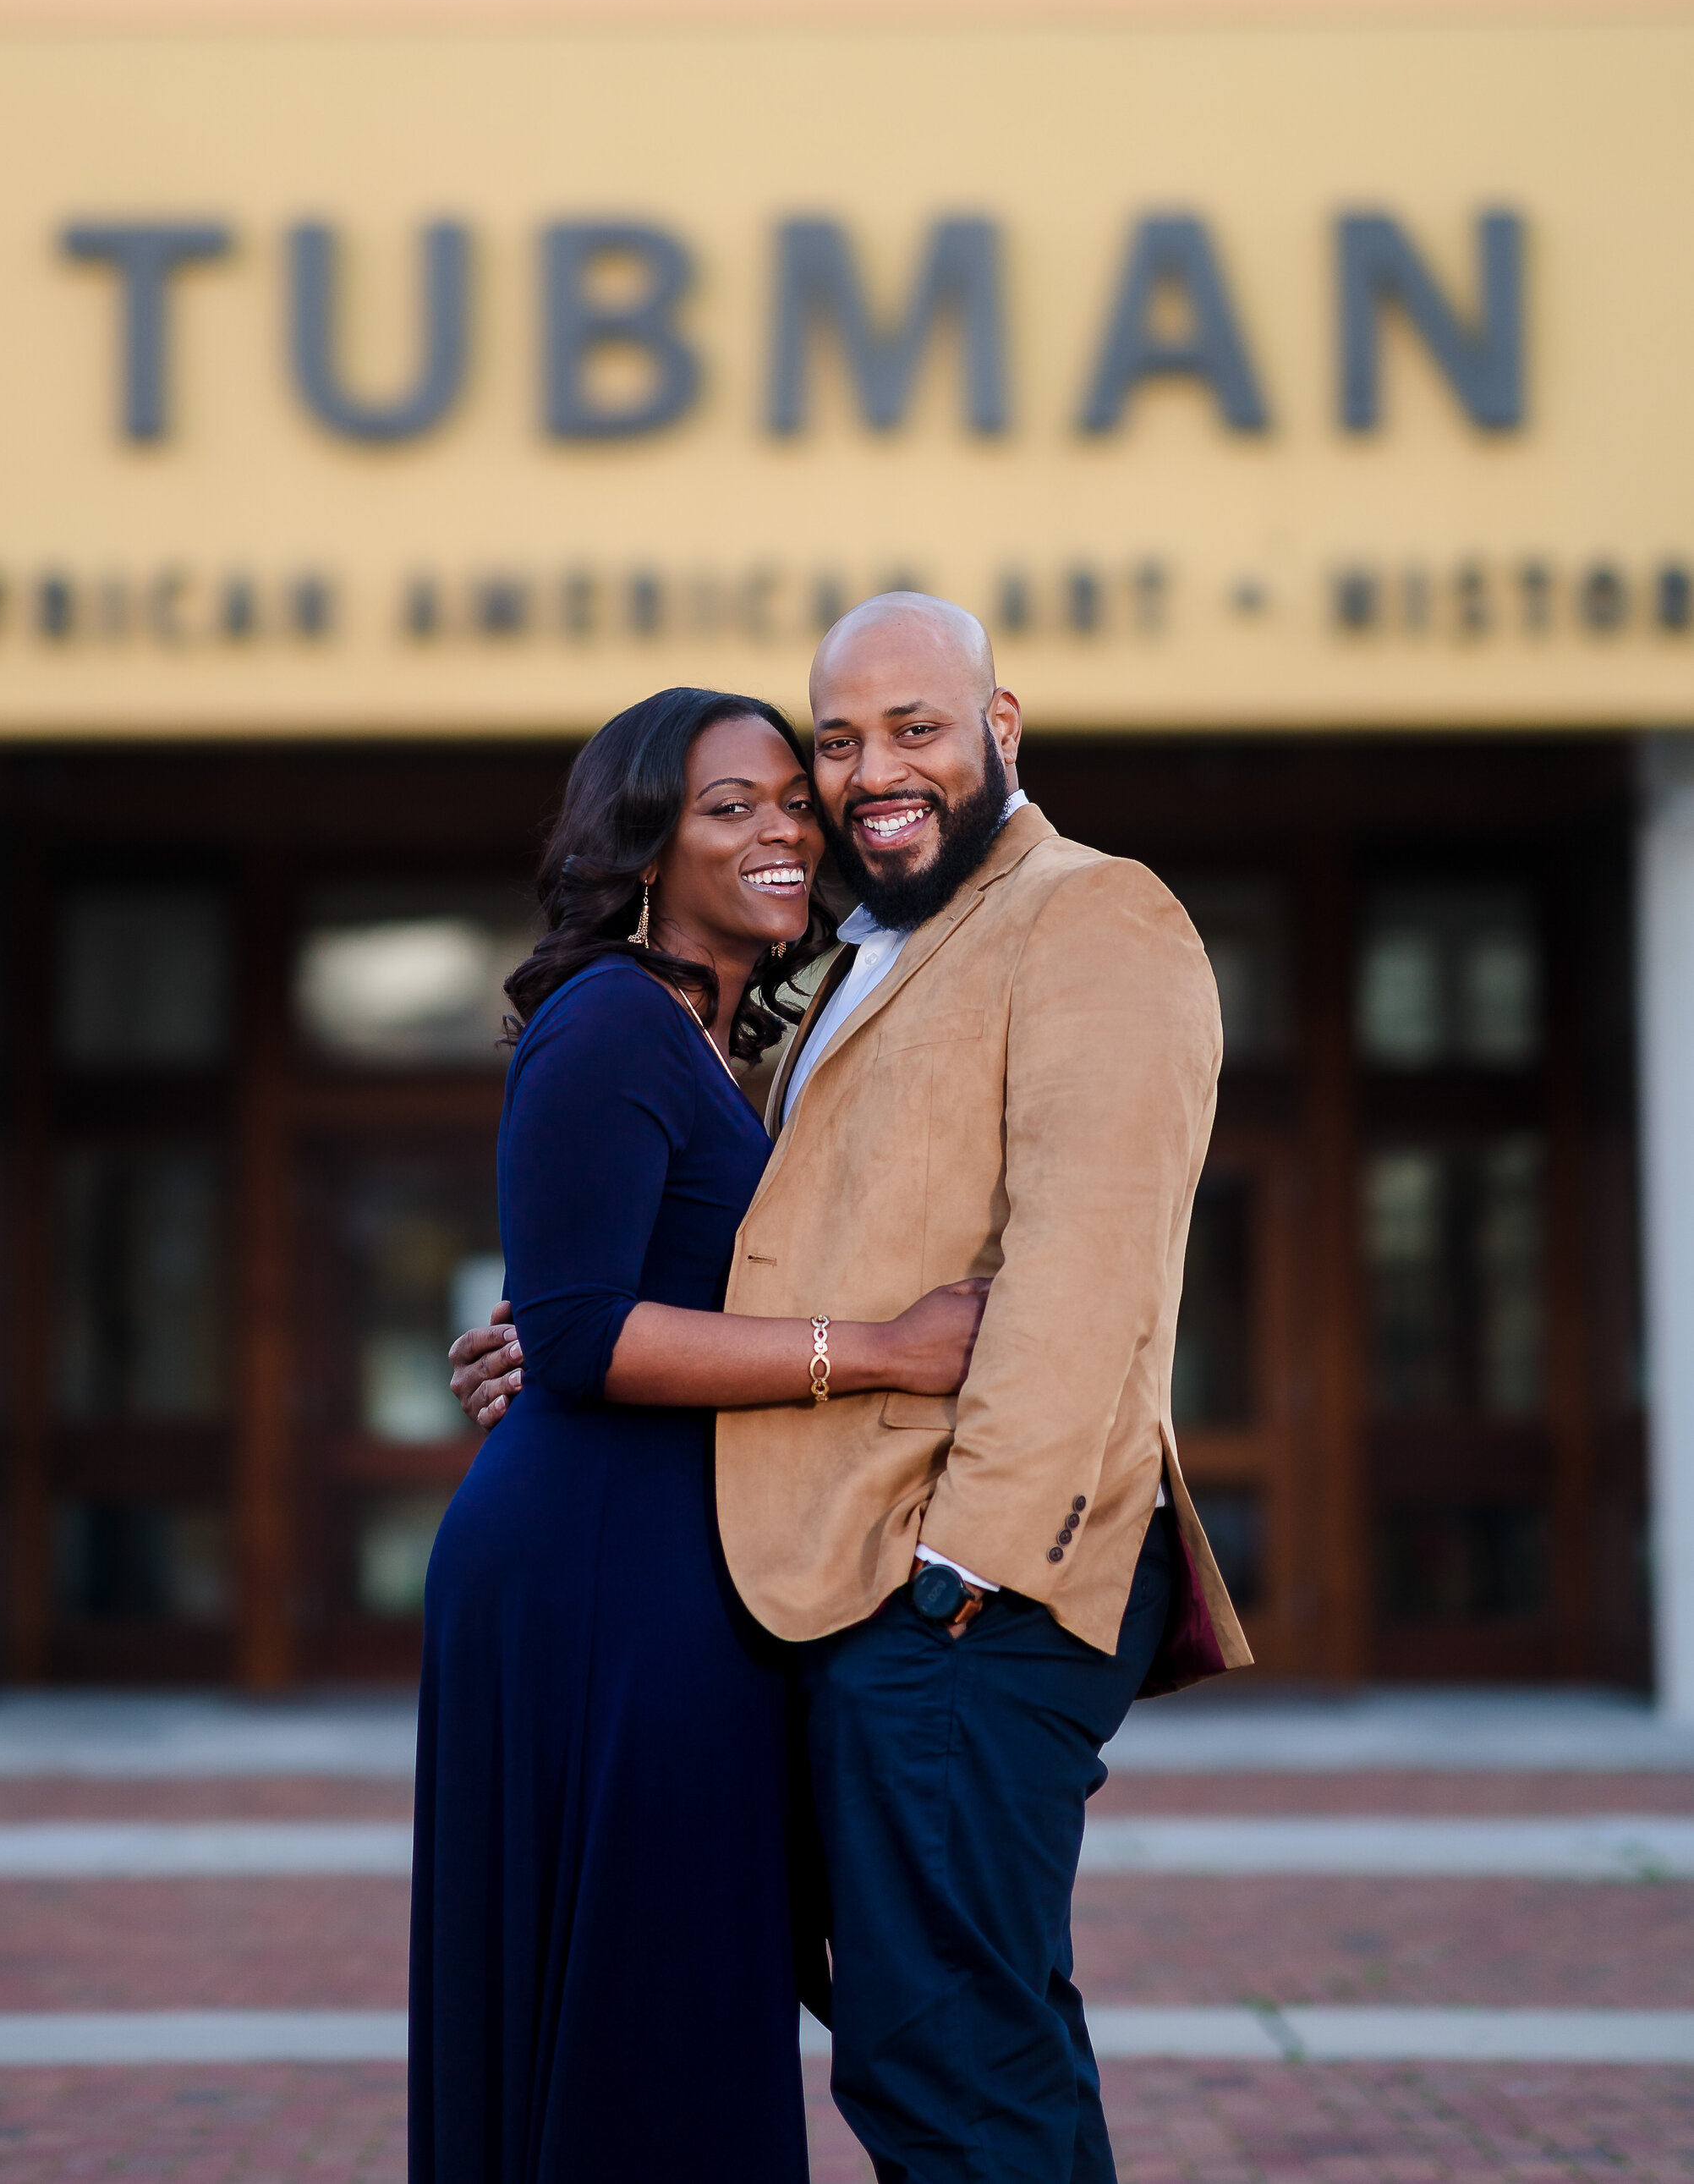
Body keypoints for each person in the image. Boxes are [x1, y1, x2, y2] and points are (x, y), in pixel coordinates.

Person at [453, 596, 1253, 2184]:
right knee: (970, 2031)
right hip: (834, 1593)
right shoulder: (829, 976)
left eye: (915, 728)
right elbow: (753, 1243)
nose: (870, 770)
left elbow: (1083, 1278)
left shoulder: (1094, 916)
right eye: (838, 741)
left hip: (960, 1591)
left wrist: (969, 1574)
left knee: (939, 2056)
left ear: (999, 728)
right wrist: (571, 1322)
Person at [409, 683, 991, 2184]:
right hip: (600, 1572)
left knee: (677, 1987)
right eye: (733, 807)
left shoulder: (729, 1039)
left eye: (794, 802)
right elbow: (595, 1332)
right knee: (649, 1997)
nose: (786, 828)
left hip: (674, 1551)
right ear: (647, 847)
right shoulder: (609, 1017)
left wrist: (562, 1327)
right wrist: (886, 1350)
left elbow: (604, 1297)